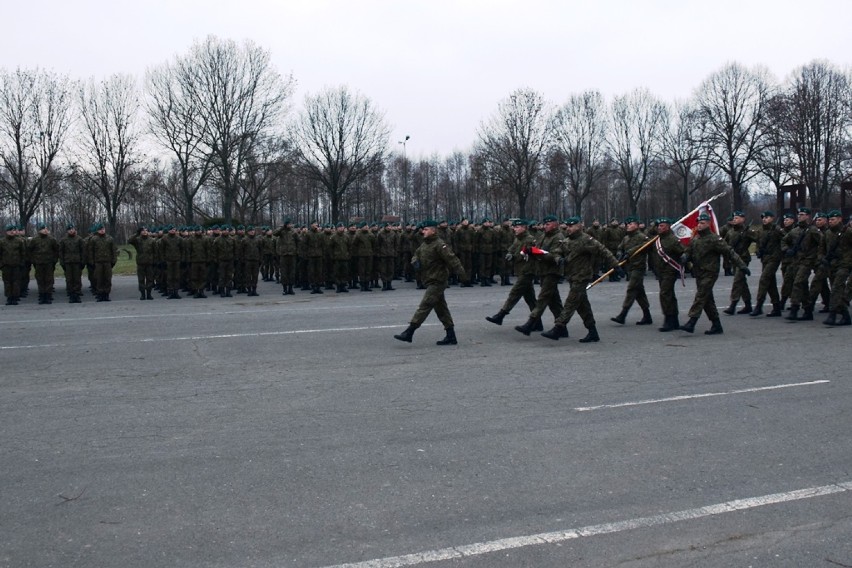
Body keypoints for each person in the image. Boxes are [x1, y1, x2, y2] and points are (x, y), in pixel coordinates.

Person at [540, 217, 619, 343]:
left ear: (579, 226)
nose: (569, 229)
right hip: (572, 276)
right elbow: (556, 252)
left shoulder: (586, 239)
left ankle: (558, 328)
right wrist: (558, 258)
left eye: (572, 226)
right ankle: (593, 332)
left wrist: (616, 265)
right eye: (568, 226)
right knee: (583, 306)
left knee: (570, 303)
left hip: (582, 277)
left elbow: (603, 250)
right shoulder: (566, 241)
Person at [394, 220, 466, 345]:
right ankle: (451, 336)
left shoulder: (439, 244)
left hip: (438, 280)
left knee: (425, 305)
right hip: (428, 279)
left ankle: (409, 332)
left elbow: (452, 259)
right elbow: (416, 254)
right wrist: (415, 261)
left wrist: (462, 275)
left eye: (426, 229)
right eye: (423, 229)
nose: (423, 231)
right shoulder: (425, 244)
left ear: (433, 231)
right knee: (441, 309)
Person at [679, 213, 749, 334]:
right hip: (699, 273)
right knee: (707, 300)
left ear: (708, 224)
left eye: (702, 223)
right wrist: (685, 256)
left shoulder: (714, 239)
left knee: (701, 296)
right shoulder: (696, 238)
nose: (699, 225)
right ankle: (716, 325)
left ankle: (692, 322)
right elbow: (688, 251)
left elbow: (729, 252)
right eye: (698, 223)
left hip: (710, 273)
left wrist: (742, 266)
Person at [514, 215, 564, 335]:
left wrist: (537, 252)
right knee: (554, 302)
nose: (545, 226)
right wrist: (531, 251)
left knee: (542, 299)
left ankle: (530, 323)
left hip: (552, 271)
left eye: (548, 224)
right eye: (545, 224)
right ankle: (562, 328)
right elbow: (538, 249)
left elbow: (553, 255)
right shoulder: (543, 236)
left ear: (555, 225)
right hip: (543, 271)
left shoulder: (558, 237)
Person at [485, 219, 537, 326]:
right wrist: (509, 254)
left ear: (524, 227)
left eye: (517, 227)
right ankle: (537, 322)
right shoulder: (518, 239)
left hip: (527, 271)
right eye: (514, 227)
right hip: (520, 270)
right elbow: (512, 249)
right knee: (530, 299)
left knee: (514, 293)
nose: (514, 229)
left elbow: (526, 255)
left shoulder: (529, 240)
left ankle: (501, 315)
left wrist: (514, 256)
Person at [610, 216, 653, 325]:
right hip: (630, 267)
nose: (628, 226)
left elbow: (647, 246)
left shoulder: (642, 237)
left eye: (631, 224)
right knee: (639, 292)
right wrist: (620, 252)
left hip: (639, 267)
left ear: (637, 225)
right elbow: (620, 247)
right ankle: (647, 315)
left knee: (631, 289)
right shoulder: (626, 238)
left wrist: (630, 252)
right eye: (627, 224)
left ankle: (623, 314)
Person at [648, 217, 685, 331]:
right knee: (669, 295)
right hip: (660, 272)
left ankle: (668, 320)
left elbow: (682, 252)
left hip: (670, 271)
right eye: (658, 226)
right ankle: (674, 320)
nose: (659, 228)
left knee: (665, 294)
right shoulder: (657, 239)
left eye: (662, 226)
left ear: (668, 227)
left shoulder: (672, 239)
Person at [722, 211, 757, 314]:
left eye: (737, 218)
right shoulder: (730, 232)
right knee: (742, 283)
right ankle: (748, 305)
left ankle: (733, 305)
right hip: (734, 259)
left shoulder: (748, 231)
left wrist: (759, 250)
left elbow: (759, 239)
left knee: (737, 281)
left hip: (743, 259)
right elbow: (725, 244)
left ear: (743, 219)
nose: (734, 219)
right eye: (734, 218)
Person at [750, 211, 784, 316]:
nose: (764, 219)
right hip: (765, 258)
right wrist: (758, 251)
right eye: (763, 217)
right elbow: (758, 243)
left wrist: (782, 251)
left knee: (764, 279)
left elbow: (786, 239)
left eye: (767, 217)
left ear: (772, 218)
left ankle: (759, 305)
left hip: (774, 258)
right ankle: (776, 307)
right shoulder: (761, 230)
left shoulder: (777, 230)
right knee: (770, 283)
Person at [28, 223, 60, 304]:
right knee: (40, 279)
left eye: (46, 228)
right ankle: (42, 295)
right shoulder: (35, 240)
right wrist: (33, 260)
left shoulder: (51, 239)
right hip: (39, 263)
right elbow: (29, 251)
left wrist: (54, 260)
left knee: (49, 279)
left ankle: (48, 295)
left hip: (49, 263)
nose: (45, 230)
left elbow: (56, 250)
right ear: (39, 230)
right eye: (43, 229)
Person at [86, 222, 117, 302]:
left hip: (107, 262)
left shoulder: (109, 239)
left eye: (103, 229)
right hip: (98, 262)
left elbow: (113, 250)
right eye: (100, 229)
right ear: (97, 231)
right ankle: (100, 294)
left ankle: (106, 294)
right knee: (99, 279)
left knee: (107, 279)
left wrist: (113, 261)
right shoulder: (94, 239)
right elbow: (90, 252)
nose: (102, 231)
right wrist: (91, 262)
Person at [59, 223, 86, 303]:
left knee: (77, 279)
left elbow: (83, 251)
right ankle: (71, 295)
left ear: (75, 230)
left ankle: (77, 294)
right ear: (67, 231)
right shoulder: (63, 240)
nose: (71, 231)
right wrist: (62, 262)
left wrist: (83, 262)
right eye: (69, 229)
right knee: (69, 279)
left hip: (77, 262)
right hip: (68, 262)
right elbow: (61, 252)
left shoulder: (79, 239)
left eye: (72, 229)